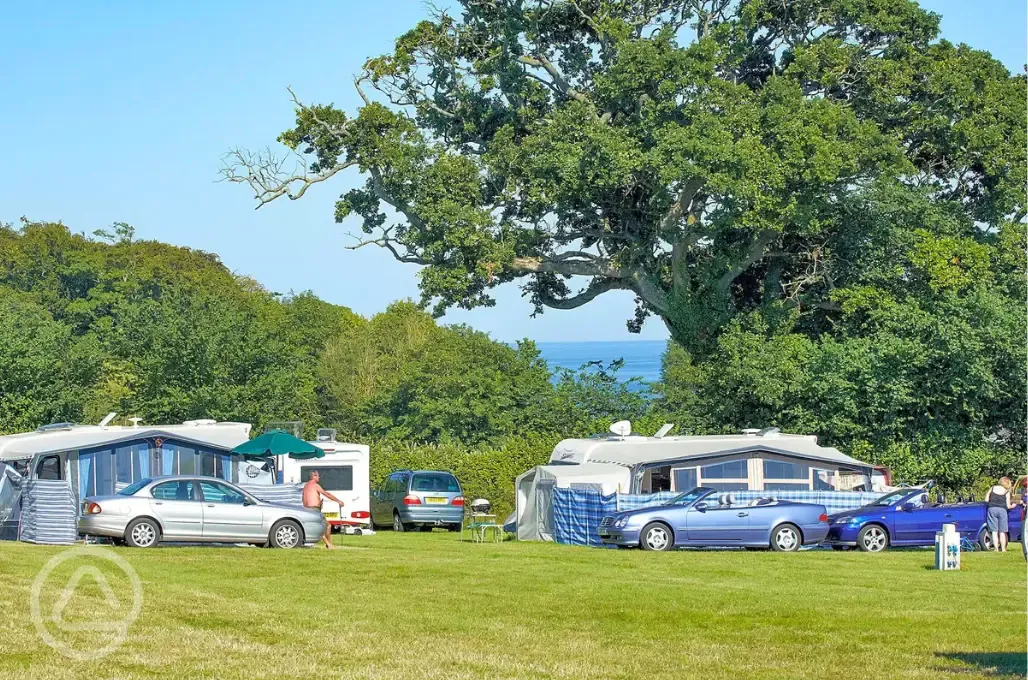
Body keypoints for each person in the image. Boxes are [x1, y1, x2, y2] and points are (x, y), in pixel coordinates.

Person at [303, 470, 344, 550]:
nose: (319, 477)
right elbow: (326, 494)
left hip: (307, 509)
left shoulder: (306, 485)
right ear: (314, 476)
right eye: (317, 475)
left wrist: (318, 503)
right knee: (327, 526)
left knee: (320, 526)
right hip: (314, 509)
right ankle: (329, 545)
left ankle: (329, 545)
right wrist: (338, 501)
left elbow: (304, 499)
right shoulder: (315, 485)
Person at [985, 477, 1014, 552]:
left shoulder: (992, 488)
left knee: (994, 531)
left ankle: (996, 548)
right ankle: (1003, 549)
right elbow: (1008, 506)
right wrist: (1013, 505)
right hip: (1002, 510)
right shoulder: (1006, 492)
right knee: (1002, 531)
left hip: (992, 509)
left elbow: (986, 500)